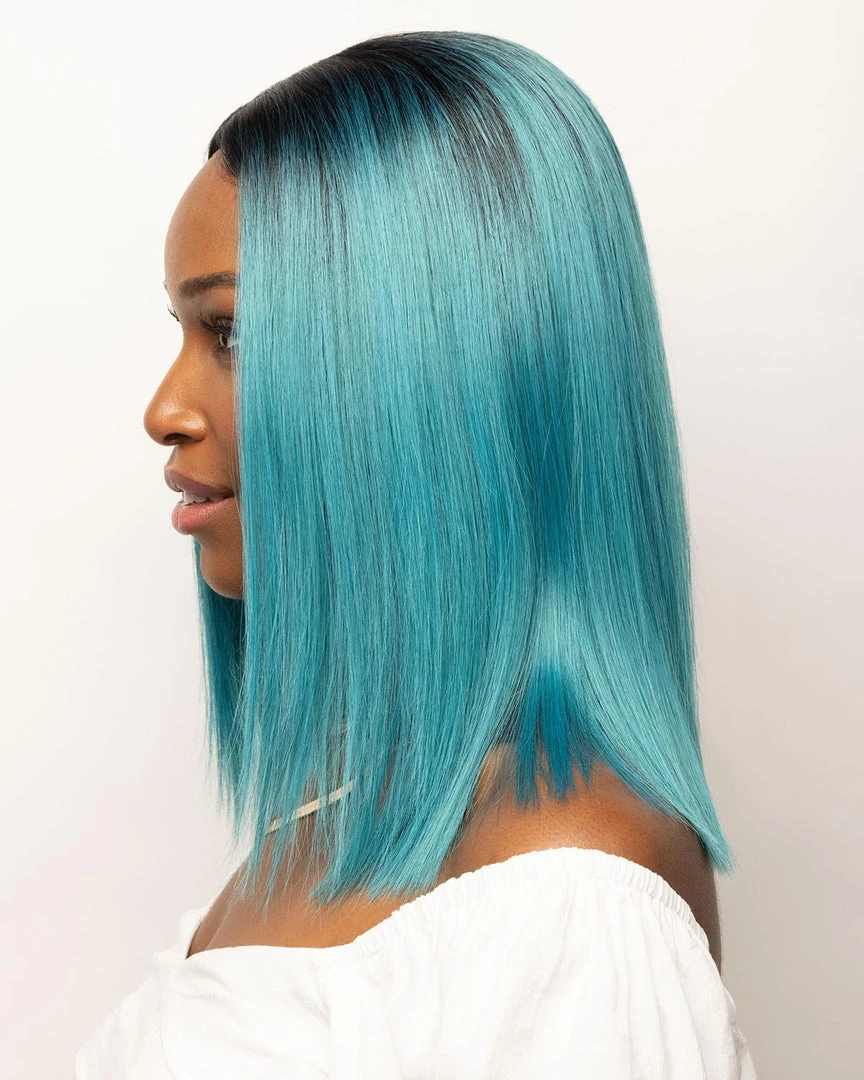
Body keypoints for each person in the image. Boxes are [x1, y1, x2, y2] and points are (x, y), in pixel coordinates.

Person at [75, 29, 757, 1078]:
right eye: (184, 331)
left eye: (232, 334)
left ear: (432, 377)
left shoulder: (569, 905)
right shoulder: (346, 816)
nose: (165, 409)